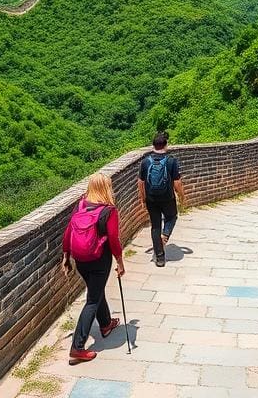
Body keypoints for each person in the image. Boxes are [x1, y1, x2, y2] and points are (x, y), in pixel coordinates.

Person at [61, 172, 125, 364]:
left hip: (80, 259)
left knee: (96, 291)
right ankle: (77, 347)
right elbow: (113, 239)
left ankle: (105, 324)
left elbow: (68, 231)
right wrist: (120, 261)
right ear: (107, 188)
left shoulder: (81, 205)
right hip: (99, 259)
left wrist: (66, 256)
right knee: (92, 300)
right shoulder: (109, 211)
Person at [138, 130, 185, 268]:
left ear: (153, 145)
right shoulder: (171, 161)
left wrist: (142, 198)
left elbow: (140, 182)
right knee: (172, 217)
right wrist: (181, 196)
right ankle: (165, 236)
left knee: (155, 226)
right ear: (166, 145)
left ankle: (159, 258)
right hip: (167, 198)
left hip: (151, 199)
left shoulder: (145, 162)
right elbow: (177, 182)